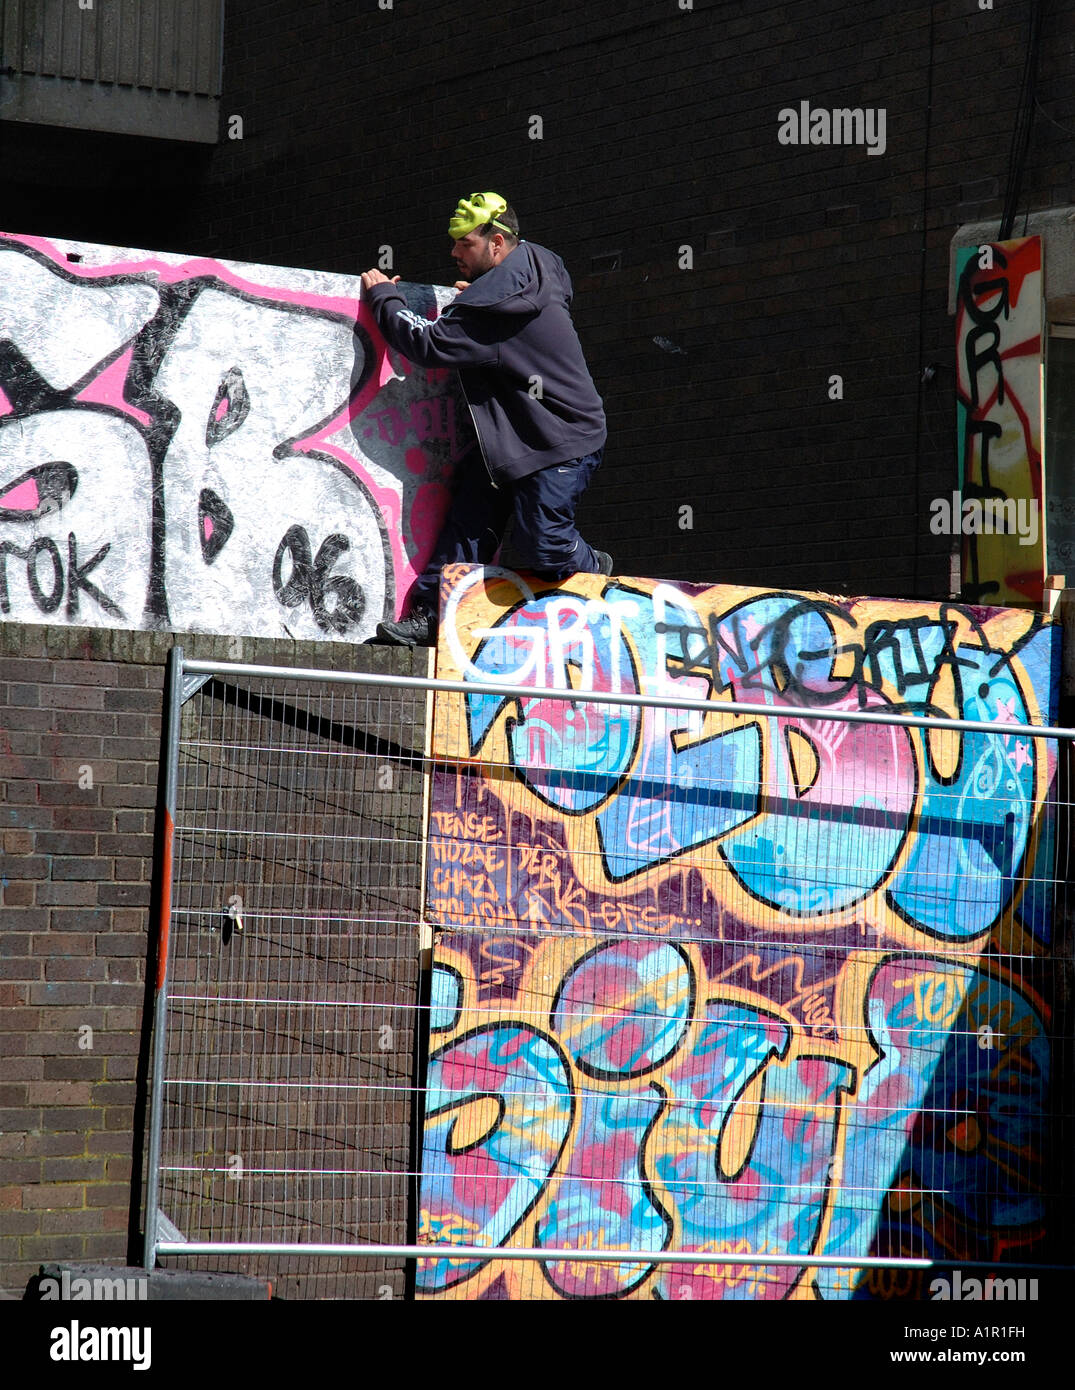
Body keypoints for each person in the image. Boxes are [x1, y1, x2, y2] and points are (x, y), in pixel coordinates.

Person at [360, 191, 611, 646]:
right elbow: (499, 310)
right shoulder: (537, 265)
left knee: (544, 547)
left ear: (497, 242)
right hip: (509, 440)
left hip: (562, 440)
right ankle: (431, 617)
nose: (454, 252)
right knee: (468, 526)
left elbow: (427, 344)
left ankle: (592, 563)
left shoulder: (491, 308)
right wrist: (480, 296)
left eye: (464, 243)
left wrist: (384, 297)